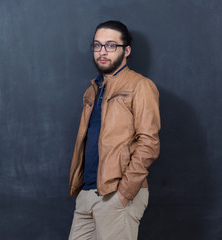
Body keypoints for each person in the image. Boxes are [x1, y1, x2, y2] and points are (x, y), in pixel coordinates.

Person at [68, 20, 160, 240]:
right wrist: (81, 189)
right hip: (88, 193)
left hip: (116, 194)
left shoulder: (140, 86)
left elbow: (149, 142)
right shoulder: (92, 91)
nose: (102, 51)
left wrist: (124, 192)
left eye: (111, 45)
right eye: (98, 45)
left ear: (126, 50)